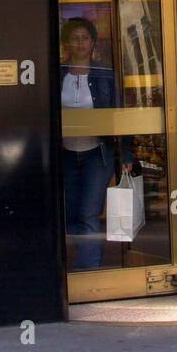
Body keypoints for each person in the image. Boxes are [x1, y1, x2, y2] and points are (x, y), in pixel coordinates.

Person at [59, 17, 133, 270]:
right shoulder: (57, 75)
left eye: (85, 38)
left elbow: (119, 115)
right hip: (65, 154)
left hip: (96, 154)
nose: (80, 43)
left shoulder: (105, 75)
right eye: (75, 38)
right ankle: (85, 261)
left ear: (92, 42)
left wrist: (126, 155)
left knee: (89, 212)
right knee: (69, 213)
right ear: (66, 43)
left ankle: (87, 271)